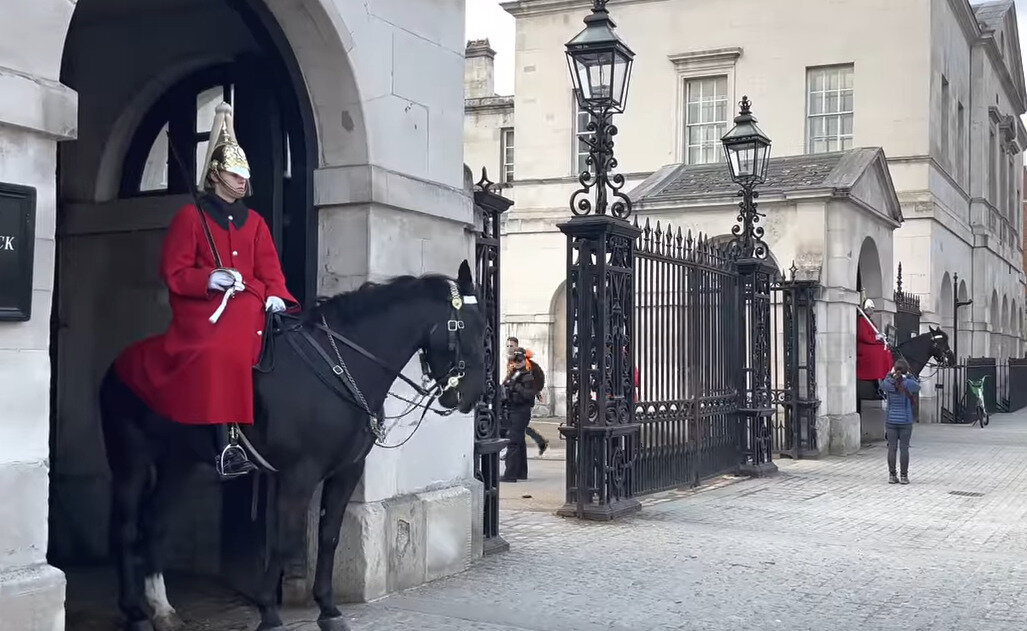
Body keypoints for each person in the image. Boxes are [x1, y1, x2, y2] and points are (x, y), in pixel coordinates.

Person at [114, 102, 298, 480]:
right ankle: (226, 444)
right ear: (216, 174)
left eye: (244, 174)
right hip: (206, 311)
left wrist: (277, 293)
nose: (242, 180)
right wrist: (208, 279)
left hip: (252, 303)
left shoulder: (256, 222)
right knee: (220, 348)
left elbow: (269, 270)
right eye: (234, 173)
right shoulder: (190, 218)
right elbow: (175, 271)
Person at [880, 359, 920, 485]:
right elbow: (918, 386)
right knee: (904, 449)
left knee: (892, 449)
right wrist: (909, 374)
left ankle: (892, 476)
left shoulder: (888, 383)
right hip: (906, 421)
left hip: (891, 420)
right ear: (906, 370)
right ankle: (904, 477)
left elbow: (882, 384)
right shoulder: (909, 383)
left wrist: (889, 374)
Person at [501, 348, 536, 482]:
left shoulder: (527, 376)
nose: (516, 362)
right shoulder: (514, 374)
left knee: (513, 441)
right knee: (519, 441)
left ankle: (510, 474)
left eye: (519, 360)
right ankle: (521, 472)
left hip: (521, 411)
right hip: (513, 409)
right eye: (514, 360)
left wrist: (517, 388)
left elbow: (529, 395)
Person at [857, 299, 892, 384]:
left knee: (886, 349)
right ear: (867, 308)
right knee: (879, 351)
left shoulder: (868, 320)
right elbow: (864, 336)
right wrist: (876, 337)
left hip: (870, 343)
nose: (873, 310)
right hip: (863, 345)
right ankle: (879, 376)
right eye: (872, 308)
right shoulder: (861, 320)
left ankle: (885, 374)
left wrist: (880, 336)